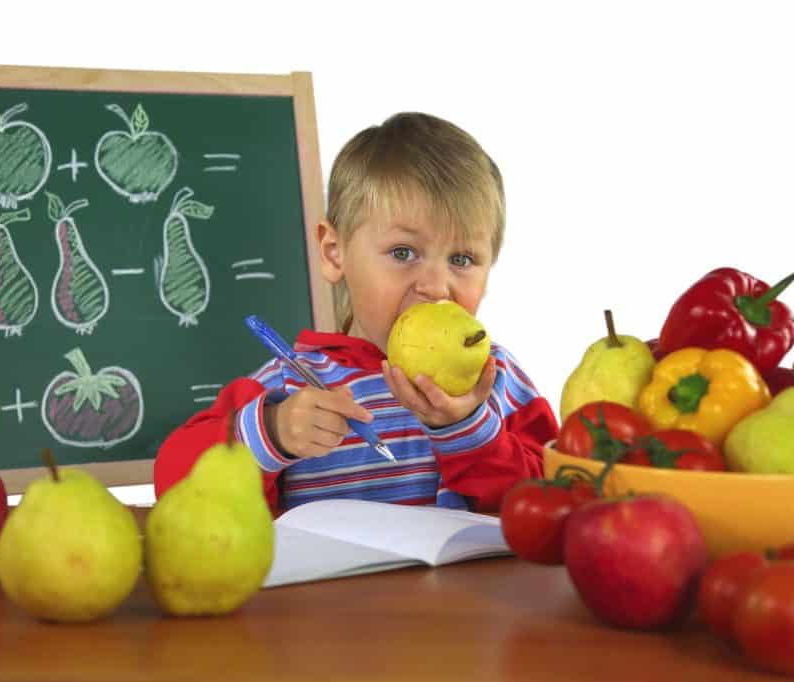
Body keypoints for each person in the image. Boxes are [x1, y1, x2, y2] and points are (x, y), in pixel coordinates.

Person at [153, 112, 559, 514]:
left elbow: (556, 499)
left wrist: (468, 430)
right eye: (403, 253)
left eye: (463, 258)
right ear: (335, 253)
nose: (436, 286)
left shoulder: (496, 381)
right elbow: (173, 485)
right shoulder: (289, 382)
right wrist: (272, 434)